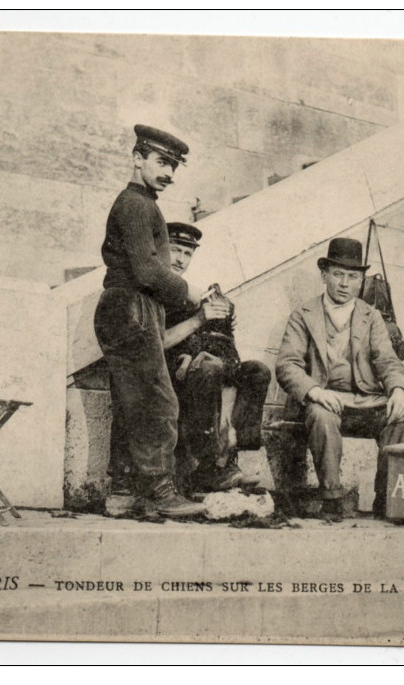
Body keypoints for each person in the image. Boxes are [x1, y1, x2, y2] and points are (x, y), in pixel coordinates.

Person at [93, 124, 220, 518]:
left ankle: (123, 493)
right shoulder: (136, 204)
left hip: (130, 309)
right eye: (162, 162)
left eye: (174, 167)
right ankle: (161, 493)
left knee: (134, 403)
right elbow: (147, 272)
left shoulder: (143, 204)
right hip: (133, 309)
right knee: (158, 402)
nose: (169, 173)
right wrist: (192, 292)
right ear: (137, 158)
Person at [275, 237, 404, 518]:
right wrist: (315, 391)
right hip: (325, 400)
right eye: (338, 274)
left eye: (353, 277)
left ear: (361, 281)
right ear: (324, 275)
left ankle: (387, 499)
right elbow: (287, 365)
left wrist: (399, 391)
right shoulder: (303, 314)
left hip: (365, 400)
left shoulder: (371, 316)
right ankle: (331, 498)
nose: (344, 283)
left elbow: (387, 360)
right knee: (321, 415)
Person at [162, 222, 271, 493]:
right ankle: (209, 466)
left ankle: (235, 457)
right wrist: (200, 325)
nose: (180, 259)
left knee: (257, 370)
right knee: (209, 368)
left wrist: (223, 318)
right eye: (174, 250)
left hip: (200, 369)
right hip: (167, 375)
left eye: (187, 254)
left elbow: (222, 346)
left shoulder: (191, 293)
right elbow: (159, 342)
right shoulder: (156, 288)